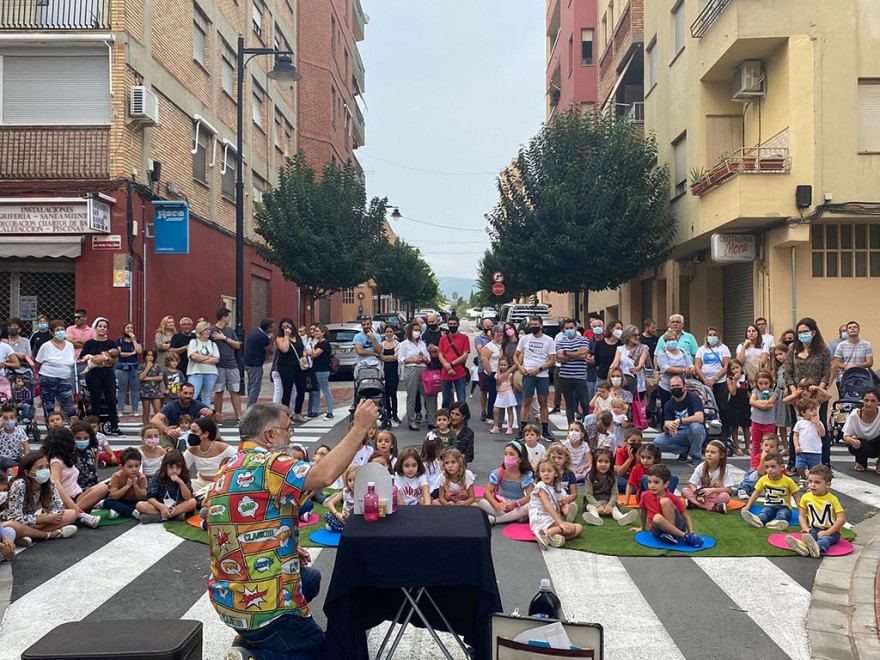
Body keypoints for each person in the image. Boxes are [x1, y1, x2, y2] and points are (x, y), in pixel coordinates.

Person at [210, 400, 380, 660]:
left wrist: (284, 543)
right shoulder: (270, 463)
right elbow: (324, 475)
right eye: (288, 429)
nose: (291, 436)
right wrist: (359, 428)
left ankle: (250, 637)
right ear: (270, 435)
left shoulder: (229, 467)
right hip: (264, 605)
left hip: (228, 597)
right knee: (327, 654)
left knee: (310, 579)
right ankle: (257, 655)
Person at [784, 317, 831, 467]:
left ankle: (825, 462)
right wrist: (794, 393)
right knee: (796, 427)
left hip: (817, 394)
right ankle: (794, 461)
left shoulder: (823, 349)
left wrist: (819, 390)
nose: (802, 335)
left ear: (813, 332)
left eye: (805, 332)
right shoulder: (793, 349)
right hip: (798, 395)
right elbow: (788, 373)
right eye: (800, 332)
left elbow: (826, 373)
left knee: (820, 425)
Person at [3, 451, 78, 543]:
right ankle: (49, 535)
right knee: (10, 525)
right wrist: (39, 519)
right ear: (27, 473)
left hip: (36, 522)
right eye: (40, 468)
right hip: (19, 522)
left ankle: (28, 535)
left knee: (72, 514)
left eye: (47, 467)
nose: (45, 470)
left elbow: (58, 506)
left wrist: (48, 518)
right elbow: (14, 517)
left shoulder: (49, 483)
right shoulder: (19, 484)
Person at [636, 464, 704, 547]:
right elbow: (643, 511)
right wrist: (642, 528)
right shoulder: (645, 495)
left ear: (666, 484)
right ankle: (682, 536)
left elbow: (685, 516)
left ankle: (674, 535)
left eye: (656, 482)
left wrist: (691, 531)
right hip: (658, 530)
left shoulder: (672, 497)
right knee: (657, 517)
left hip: (677, 525)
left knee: (665, 501)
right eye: (649, 482)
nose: (651, 486)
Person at [785, 465, 846, 558]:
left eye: (817, 482)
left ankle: (817, 548)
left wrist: (828, 532)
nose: (812, 485)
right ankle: (803, 547)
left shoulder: (832, 499)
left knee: (825, 539)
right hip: (814, 528)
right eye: (810, 481)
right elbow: (802, 516)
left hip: (832, 531)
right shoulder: (805, 497)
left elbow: (842, 519)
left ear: (827, 485)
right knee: (809, 537)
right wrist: (805, 527)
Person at [514, 316, 556, 441]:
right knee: (526, 402)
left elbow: (552, 359)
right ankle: (522, 430)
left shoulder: (548, 340)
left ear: (541, 325)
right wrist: (520, 368)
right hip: (527, 374)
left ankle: (545, 430)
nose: (533, 326)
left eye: (536, 324)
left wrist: (539, 369)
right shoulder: (525, 339)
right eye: (531, 324)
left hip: (542, 375)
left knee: (543, 402)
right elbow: (516, 356)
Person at [529, 456, 583, 550]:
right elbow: (548, 505)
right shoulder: (541, 486)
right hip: (540, 517)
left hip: (550, 518)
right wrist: (560, 523)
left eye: (549, 471)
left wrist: (564, 504)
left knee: (579, 528)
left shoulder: (557, 487)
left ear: (556, 473)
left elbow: (559, 503)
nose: (546, 474)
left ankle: (552, 538)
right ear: (539, 473)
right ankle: (545, 534)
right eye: (543, 471)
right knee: (571, 528)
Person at [474, 441, 534, 525]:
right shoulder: (499, 472)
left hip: (517, 505)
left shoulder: (525, 475)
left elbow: (530, 496)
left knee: (529, 506)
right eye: (506, 454)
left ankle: (497, 519)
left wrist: (516, 504)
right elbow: (487, 492)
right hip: (501, 503)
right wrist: (496, 504)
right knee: (482, 503)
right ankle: (513, 518)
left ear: (520, 459)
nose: (507, 457)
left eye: (511, 454)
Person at [80, 317, 122, 434]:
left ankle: (114, 426)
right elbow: (82, 359)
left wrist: (105, 359)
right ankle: (94, 428)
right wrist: (92, 359)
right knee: (95, 401)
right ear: (96, 328)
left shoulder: (111, 343)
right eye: (100, 326)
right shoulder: (89, 343)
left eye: (104, 327)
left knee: (111, 400)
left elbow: (115, 360)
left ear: (107, 330)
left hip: (108, 374)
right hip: (93, 374)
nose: (102, 328)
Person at [653, 375, 706, 466]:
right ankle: (684, 450)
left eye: (678, 386)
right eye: (673, 386)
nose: (675, 388)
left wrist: (680, 421)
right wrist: (668, 426)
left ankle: (696, 456)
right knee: (658, 442)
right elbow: (665, 424)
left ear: (684, 386)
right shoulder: (669, 404)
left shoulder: (694, 398)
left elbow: (700, 417)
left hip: (694, 431)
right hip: (679, 433)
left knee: (695, 426)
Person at [741, 452, 800, 531]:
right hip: (769, 506)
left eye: (773, 467)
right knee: (764, 513)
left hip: (784, 507)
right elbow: (756, 493)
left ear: (782, 467)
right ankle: (758, 520)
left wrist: (801, 512)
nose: (769, 469)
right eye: (767, 467)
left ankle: (777, 522)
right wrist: (748, 506)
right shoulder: (763, 479)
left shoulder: (788, 481)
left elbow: (796, 496)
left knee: (783, 514)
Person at [136, 449, 197, 523]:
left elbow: (188, 497)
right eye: (171, 467)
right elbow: (150, 497)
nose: (174, 471)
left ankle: (162, 517)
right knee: (140, 505)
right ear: (165, 467)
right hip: (160, 505)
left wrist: (181, 482)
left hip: (178, 505)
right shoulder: (158, 475)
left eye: (178, 468)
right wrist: (162, 507)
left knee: (192, 502)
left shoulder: (184, 476)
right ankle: (175, 515)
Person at [35, 319, 77, 425]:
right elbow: (38, 362)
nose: (61, 332)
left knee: (68, 405)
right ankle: (51, 429)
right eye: (58, 330)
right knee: (49, 406)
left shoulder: (70, 345)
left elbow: (71, 360)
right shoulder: (46, 346)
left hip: (65, 378)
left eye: (62, 329)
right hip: (48, 377)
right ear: (52, 332)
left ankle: (71, 427)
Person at [582, 448, 639, 526]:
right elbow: (589, 495)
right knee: (592, 508)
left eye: (606, 462)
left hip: (608, 501)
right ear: (595, 462)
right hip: (593, 502)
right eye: (600, 461)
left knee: (615, 510)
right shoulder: (590, 476)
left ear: (611, 464)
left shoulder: (612, 477)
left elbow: (615, 493)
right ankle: (595, 518)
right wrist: (598, 506)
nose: (603, 464)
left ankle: (622, 518)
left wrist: (610, 505)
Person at [694, 327, 731, 444]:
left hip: (720, 382)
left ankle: (724, 434)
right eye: (710, 334)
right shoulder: (701, 349)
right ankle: (706, 433)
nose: (712, 336)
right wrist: (705, 380)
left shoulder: (723, 348)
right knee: (706, 407)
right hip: (704, 383)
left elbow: (727, 366)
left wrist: (715, 379)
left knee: (722, 407)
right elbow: (697, 366)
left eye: (714, 334)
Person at [151, 383, 213, 450]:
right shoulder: (171, 406)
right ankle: (169, 450)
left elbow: (219, 419)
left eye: (190, 393)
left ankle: (212, 448)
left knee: (212, 424)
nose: (188, 396)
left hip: (194, 436)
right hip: (176, 435)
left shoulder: (197, 405)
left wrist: (212, 412)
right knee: (163, 431)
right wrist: (167, 430)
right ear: (179, 393)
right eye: (185, 393)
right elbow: (154, 420)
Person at [681, 440, 733, 513]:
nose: (709, 454)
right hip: (700, 493)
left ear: (722, 455)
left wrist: (712, 490)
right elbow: (692, 484)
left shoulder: (724, 470)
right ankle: (713, 507)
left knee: (725, 497)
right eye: (707, 451)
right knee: (684, 491)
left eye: (713, 452)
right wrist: (698, 495)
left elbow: (728, 489)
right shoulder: (701, 466)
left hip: (714, 495)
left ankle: (694, 504)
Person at [211, 307, 243, 423]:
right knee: (219, 391)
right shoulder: (212, 330)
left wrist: (224, 338)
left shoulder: (230, 330)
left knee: (234, 390)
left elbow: (237, 345)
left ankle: (239, 416)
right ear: (223, 317)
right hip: (218, 365)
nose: (230, 319)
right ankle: (218, 416)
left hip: (231, 364)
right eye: (229, 317)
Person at [555, 318, 590, 424]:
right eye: (567, 328)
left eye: (571, 328)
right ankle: (571, 426)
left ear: (576, 328)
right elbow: (559, 358)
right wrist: (575, 354)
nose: (569, 330)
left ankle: (586, 425)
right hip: (565, 377)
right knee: (569, 404)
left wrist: (566, 353)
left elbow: (583, 354)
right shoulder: (561, 342)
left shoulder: (583, 340)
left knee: (584, 403)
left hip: (580, 377)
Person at [274, 317, 308, 422]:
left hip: (298, 365)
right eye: (284, 327)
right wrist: (286, 336)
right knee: (287, 390)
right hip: (286, 366)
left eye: (288, 326)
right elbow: (284, 349)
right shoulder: (280, 338)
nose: (286, 328)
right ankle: (286, 415)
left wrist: (304, 356)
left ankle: (298, 412)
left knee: (301, 389)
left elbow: (302, 348)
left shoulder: (297, 337)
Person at [399, 323, 431, 432]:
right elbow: (401, 359)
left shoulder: (422, 343)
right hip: (411, 369)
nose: (417, 332)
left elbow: (428, 357)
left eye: (419, 330)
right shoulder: (404, 344)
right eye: (415, 330)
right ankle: (411, 421)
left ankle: (432, 420)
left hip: (423, 369)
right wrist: (414, 360)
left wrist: (425, 359)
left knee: (428, 395)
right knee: (412, 396)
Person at [842, 388, 880, 473]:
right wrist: (853, 441)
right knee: (855, 444)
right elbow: (846, 436)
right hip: (862, 444)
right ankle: (861, 461)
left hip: (877, 443)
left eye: (873, 401)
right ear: (862, 401)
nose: (869, 404)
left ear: (878, 402)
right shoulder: (854, 415)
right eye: (866, 400)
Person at [737, 433, 785, 499]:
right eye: (766, 445)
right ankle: (743, 488)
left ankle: (752, 492)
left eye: (771, 447)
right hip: (757, 480)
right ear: (761, 446)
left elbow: (783, 475)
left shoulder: (778, 460)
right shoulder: (758, 457)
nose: (768, 448)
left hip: (768, 482)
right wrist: (762, 459)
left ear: (776, 449)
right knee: (754, 473)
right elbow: (760, 473)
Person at [105, 447, 148, 520]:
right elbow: (113, 496)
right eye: (130, 467)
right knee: (107, 502)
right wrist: (127, 486)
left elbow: (142, 497)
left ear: (140, 465)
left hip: (135, 502)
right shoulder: (116, 476)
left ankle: (119, 511)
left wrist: (135, 485)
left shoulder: (141, 477)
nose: (134, 469)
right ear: (122, 467)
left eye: (136, 466)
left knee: (145, 502)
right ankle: (132, 512)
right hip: (120, 500)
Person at [656, 330, 695, 409]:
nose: (672, 341)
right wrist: (683, 370)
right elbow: (665, 368)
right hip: (666, 386)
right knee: (666, 407)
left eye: (673, 339)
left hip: (682, 385)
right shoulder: (662, 352)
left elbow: (690, 364)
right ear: (665, 341)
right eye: (669, 340)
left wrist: (691, 369)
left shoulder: (682, 351)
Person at [438, 316, 470, 410]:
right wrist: (446, 366)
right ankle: (445, 422)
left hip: (459, 372)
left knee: (461, 399)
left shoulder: (464, 338)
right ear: (447, 325)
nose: (452, 326)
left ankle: (463, 423)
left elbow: (465, 355)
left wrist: (451, 364)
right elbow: (440, 354)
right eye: (450, 324)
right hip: (445, 372)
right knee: (445, 400)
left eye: (454, 324)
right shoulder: (443, 339)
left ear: (458, 325)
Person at [243, 318, 275, 408]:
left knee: (250, 385)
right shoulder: (261, 337)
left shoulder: (255, 331)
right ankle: (250, 408)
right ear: (268, 328)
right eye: (272, 327)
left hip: (248, 362)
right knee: (255, 388)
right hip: (255, 364)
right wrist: (271, 341)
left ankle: (250, 405)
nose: (273, 329)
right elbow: (270, 351)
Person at [420, 313, 444, 429]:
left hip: (444, 364)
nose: (431, 324)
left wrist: (438, 349)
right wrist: (433, 351)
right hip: (431, 365)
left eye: (433, 322)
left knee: (448, 391)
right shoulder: (425, 334)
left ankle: (448, 414)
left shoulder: (444, 333)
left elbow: (446, 349)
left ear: (438, 321)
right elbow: (425, 350)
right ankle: (434, 417)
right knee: (432, 392)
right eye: (428, 322)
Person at [831, 320, 873, 385]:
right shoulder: (840, 345)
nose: (852, 328)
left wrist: (856, 366)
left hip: (863, 378)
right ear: (847, 331)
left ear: (859, 330)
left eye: (855, 327)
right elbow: (836, 362)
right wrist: (846, 367)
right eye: (850, 328)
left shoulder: (866, 344)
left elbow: (869, 362)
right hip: (844, 378)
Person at [792, 398, 825, 483]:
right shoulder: (800, 423)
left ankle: (812, 480)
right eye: (811, 410)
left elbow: (822, 434)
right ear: (803, 413)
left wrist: (817, 424)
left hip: (815, 451)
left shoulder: (819, 423)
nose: (814, 412)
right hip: (802, 450)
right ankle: (803, 477)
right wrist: (796, 446)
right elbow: (796, 435)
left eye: (815, 409)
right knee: (799, 466)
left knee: (815, 469)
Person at [115, 321, 143, 418]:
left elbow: (139, 351)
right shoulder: (119, 340)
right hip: (122, 367)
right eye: (128, 328)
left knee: (135, 389)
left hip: (134, 367)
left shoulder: (136, 340)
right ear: (124, 329)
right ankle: (120, 409)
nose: (129, 330)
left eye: (131, 328)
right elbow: (119, 353)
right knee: (121, 389)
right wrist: (132, 353)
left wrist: (133, 339)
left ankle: (135, 410)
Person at [749, 371, 778, 461]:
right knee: (756, 445)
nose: (763, 386)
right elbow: (751, 401)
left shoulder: (773, 394)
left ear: (770, 383)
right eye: (760, 383)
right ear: (757, 383)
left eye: (766, 383)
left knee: (769, 445)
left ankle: (768, 462)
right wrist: (763, 405)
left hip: (768, 423)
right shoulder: (755, 392)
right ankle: (754, 464)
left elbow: (769, 402)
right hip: (756, 422)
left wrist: (757, 402)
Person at [546, 443, 578, 522]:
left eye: (560, 458)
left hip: (565, 498)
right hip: (551, 498)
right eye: (553, 457)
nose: (556, 460)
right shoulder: (547, 473)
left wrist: (568, 499)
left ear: (565, 459)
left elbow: (574, 493)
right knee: (550, 508)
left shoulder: (569, 473)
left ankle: (569, 515)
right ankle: (556, 515)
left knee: (566, 507)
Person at [65, 309, 96, 391]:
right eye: (74, 317)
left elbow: (92, 345)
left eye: (78, 317)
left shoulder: (92, 331)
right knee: (70, 387)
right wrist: (85, 343)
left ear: (85, 318)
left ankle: (81, 403)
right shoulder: (70, 329)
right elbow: (69, 343)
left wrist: (76, 341)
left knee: (83, 387)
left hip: (85, 363)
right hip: (72, 363)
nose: (76, 319)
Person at [309, 324, 334, 420]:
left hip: (323, 369)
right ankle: (315, 411)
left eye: (317, 331)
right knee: (316, 390)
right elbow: (312, 355)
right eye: (314, 331)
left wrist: (312, 347)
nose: (315, 333)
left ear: (323, 333)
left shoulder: (325, 344)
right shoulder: (318, 344)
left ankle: (330, 411)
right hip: (316, 368)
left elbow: (314, 354)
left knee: (325, 390)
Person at [323, 465, 359, 532]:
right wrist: (337, 514)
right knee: (327, 515)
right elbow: (330, 503)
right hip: (343, 520)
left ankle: (347, 529)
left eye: (355, 480)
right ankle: (347, 529)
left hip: (357, 521)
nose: (352, 483)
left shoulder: (364, 495)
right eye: (350, 480)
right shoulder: (345, 491)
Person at [726, 359, 751, 456]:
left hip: (745, 403)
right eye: (733, 369)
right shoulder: (730, 379)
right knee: (735, 426)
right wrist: (735, 381)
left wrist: (750, 393)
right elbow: (733, 392)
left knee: (746, 426)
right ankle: (737, 447)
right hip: (735, 404)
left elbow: (749, 387)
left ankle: (748, 447)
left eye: (737, 367)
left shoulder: (746, 377)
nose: (736, 370)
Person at [481, 325, 504, 426]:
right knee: (493, 395)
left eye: (501, 332)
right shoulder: (489, 346)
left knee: (503, 395)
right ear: (493, 334)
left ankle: (500, 417)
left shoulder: (503, 345)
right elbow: (484, 359)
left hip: (503, 373)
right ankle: (489, 416)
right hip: (492, 373)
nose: (499, 334)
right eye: (497, 332)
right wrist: (490, 373)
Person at [473, 317, 495, 421]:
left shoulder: (496, 337)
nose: (489, 328)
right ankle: (483, 410)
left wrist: (492, 338)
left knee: (494, 391)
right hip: (483, 367)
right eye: (487, 327)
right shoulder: (479, 338)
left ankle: (494, 411)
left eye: (491, 326)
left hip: (495, 367)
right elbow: (481, 351)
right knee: (484, 391)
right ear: (483, 327)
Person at [378, 324, 400, 423]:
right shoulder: (382, 344)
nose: (389, 334)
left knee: (393, 393)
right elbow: (380, 356)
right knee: (385, 393)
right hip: (384, 371)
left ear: (393, 332)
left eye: (391, 332)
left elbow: (397, 357)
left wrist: (385, 358)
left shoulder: (397, 344)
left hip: (394, 372)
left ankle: (395, 414)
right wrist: (390, 357)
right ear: (385, 332)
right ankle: (387, 413)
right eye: (387, 332)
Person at [491, 355, 518, 435]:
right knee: (495, 410)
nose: (502, 367)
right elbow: (497, 385)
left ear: (508, 365)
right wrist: (498, 379)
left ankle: (510, 427)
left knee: (509, 410)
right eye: (501, 365)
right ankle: (496, 426)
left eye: (504, 365)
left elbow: (513, 384)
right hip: (500, 394)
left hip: (509, 393)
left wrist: (514, 393)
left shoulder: (510, 375)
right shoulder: (496, 375)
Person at [138, 348, 165, 426]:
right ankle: (146, 427)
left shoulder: (157, 366)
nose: (149, 357)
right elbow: (141, 377)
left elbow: (160, 377)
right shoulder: (141, 366)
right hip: (145, 391)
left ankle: (159, 426)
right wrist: (148, 367)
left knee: (157, 410)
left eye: (151, 356)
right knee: (146, 411)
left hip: (155, 391)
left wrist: (148, 378)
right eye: (148, 355)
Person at [0, 404, 29, 472]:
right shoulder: (0, 432)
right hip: (3, 459)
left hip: (17, 458)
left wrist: (27, 460)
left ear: (16, 419)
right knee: (4, 461)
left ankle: (18, 468)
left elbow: (26, 446)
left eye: (12, 417)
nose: (9, 420)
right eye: (5, 418)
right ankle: (19, 469)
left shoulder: (19, 431)